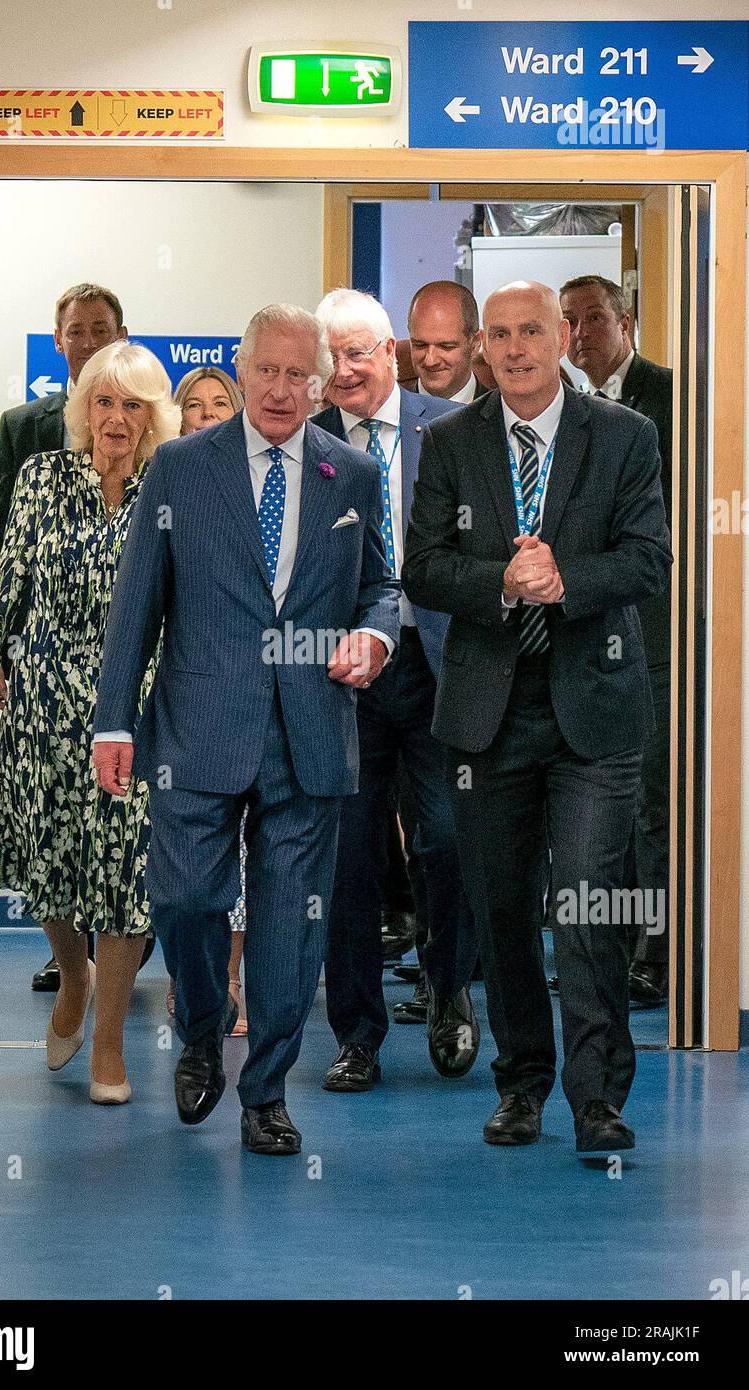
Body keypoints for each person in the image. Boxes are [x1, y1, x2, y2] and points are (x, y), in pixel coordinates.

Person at [92, 303, 400, 1156]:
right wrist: (112, 723)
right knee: (186, 896)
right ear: (241, 367)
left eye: (299, 374)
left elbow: (382, 584)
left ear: (321, 380)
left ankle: (264, 1093)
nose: (280, 389)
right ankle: (199, 1024)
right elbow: (136, 607)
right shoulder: (182, 469)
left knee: (289, 929)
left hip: (309, 732)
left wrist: (374, 633)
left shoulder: (354, 475)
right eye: (266, 370)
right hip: (197, 725)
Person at [403, 281, 672, 1154]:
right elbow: (424, 568)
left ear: (563, 338)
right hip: (487, 715)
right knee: (504, 911)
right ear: (483, 347)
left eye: (532, 332)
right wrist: (499, 583)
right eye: (501, 335)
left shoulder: (626, 436)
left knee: (587, 907)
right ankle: (521, 1085)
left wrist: (565, 579)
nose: (516, 349)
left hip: (593, 711)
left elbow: (648, 559)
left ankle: (598, 1100)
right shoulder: (448, 442)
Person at [0, 341, 181, 1105]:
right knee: (50, 869)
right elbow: (6, 580)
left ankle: (111, 1044)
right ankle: (74, 975)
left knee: (122, 878)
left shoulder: (173, 481)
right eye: (104, 401)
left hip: (135, 706)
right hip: (48, 700)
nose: (116, 418)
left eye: (133, 404)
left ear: (156, 415)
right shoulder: (41, 477)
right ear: (84, 407)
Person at [313, 287, 479, 1091]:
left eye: (358, 353)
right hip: (342, 677)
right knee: (347, 861)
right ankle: (357, 1035)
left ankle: (450, 989)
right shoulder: (304, 442)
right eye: (330, 356)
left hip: (437, 666)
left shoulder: (447, 428)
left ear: (391, 354)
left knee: (446, 839)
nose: (344, 370)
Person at [0, 282, 130, 996]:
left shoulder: (165, 454)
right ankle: (73, 965)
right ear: (57, 337)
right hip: (45, 672)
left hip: (129, 678)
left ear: (121, 334)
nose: (89, 340)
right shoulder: (26, 432)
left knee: (121, 835)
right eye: (77, 329)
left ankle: (117, 986)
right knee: (51, 826)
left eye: (102, 328)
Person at [561, 275, 673, 1007]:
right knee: (605, 804)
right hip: (580, 636)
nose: (579, 336)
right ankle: (606, 951)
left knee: (654, 799)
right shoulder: (563, 412)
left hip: (658, 630)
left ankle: (656, 954)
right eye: (567, 321)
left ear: (625, 321)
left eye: (593, 319)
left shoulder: (669, 396)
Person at [171, 365, 249, 1035]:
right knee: (189, 870)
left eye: (218, 403)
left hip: (261, 693)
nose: (205, 413)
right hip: (188, 701)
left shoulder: (276, 479)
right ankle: (193, 980)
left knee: (248, 858)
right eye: (192, 405)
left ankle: (230, 979)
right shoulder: (172, 481)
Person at [407, 280, 487, 404]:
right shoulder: (385, 416)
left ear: (475, 344)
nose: (430, 361)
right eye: (420, 345)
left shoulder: (506, 416)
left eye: (446, 347)